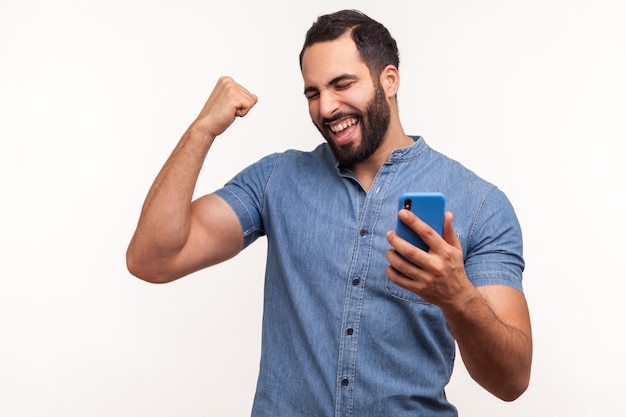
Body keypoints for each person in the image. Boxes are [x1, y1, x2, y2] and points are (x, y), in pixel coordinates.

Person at [126, 9, 532, 416]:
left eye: (342, 85)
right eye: (313, 93)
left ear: (388, 80)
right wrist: (202, 131)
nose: (327, 107)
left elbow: (511, 380)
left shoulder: (480, 206)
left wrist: (457, 296)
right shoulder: (276, 179)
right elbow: (152, 260)